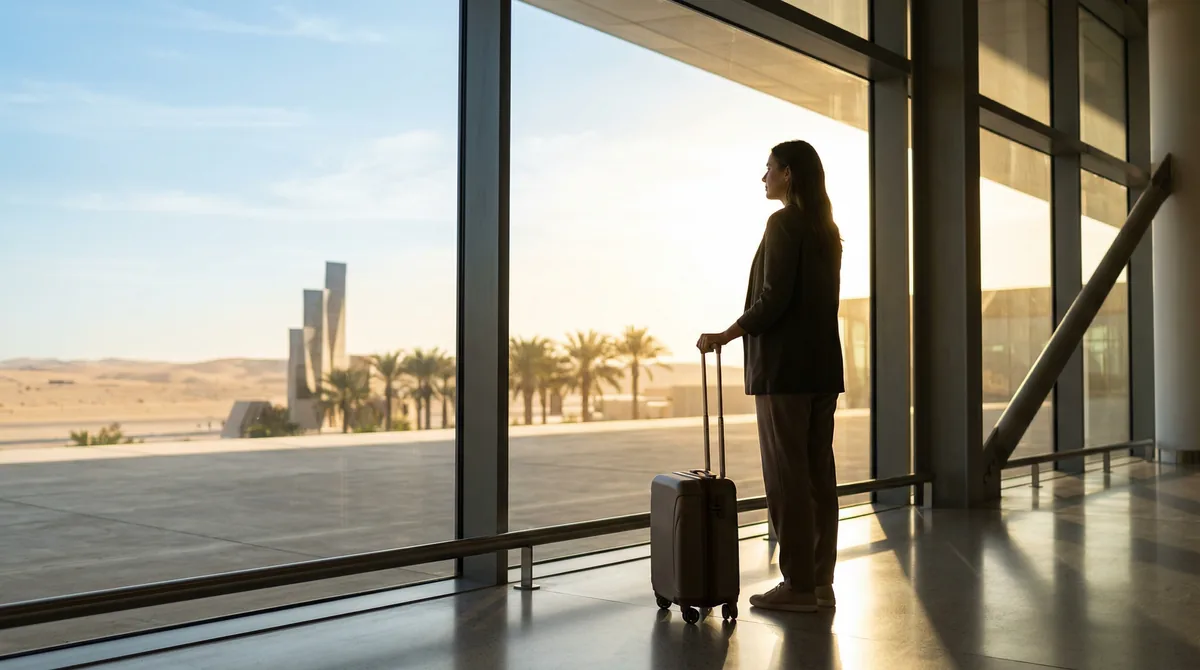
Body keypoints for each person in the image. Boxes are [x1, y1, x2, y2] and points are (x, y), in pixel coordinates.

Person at [697, 139, 844, 613]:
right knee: (819, 476)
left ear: (789, 174)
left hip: (785, 372)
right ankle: (820, 582)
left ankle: (797, 585)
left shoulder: (783, 223)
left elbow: (773, 299)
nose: (763, 178)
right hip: (822, 368)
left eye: (769, 169)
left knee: (787, 478)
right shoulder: (827, 230)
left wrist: (725, 334)